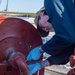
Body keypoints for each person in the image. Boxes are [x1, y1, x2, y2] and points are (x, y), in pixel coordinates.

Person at [27, 0, 75, 74]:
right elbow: (68, 50)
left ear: (41, 14)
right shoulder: (69, 22)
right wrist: (43, 64)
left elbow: (67, 37)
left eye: (41, 27)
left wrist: (41, 49)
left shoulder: (50, 2)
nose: (46, 29)